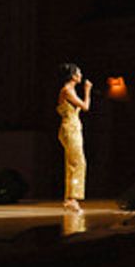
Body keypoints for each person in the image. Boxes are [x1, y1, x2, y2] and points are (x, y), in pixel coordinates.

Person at [56, 63, 91, 214]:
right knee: (78, 163)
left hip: (72, 128)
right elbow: (85, 106)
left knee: (73, 163)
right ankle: (72, 199)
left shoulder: (69, 90)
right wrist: (87, 91)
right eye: (79, 73)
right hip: (70, 129)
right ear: (73, 76)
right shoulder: (67, 90)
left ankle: (70, 199)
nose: (81, 76)